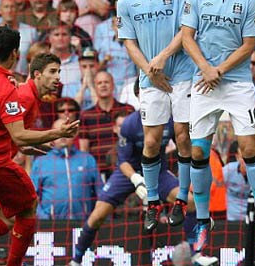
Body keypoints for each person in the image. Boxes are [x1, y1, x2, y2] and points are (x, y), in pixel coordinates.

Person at [0, 26, 79, 266]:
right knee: (28, 204)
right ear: (16, 54)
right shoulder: (15, 93)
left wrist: (20, 146)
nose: (57, 78)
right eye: (52, 71)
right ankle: (6, 261)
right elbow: (19, 134)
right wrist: (57, 133)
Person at [181, 0, 255, 262]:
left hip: (236, 83)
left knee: (249, 148)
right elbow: (187, 36)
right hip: (203, 80)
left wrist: (218, 69)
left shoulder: (250, 0)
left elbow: (249, 46)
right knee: (198, 151)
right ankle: (203, 220)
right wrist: (206, 67)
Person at [117, 0, 194, 232]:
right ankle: (151, 201)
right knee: (151, 143)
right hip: (151, 77)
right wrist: (151, 70)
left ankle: (182, 198)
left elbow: (186, 32)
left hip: (181, 72)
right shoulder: (125, 2)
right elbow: (128, 42)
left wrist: (162, 59)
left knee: (183, 135)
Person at [69, 102, 196, 265]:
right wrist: (136, 180)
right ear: (140, 96)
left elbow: (183, 147)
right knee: (97, 216)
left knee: (191, 203)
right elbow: (122, 162)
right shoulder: (129, 123)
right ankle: (76, 260)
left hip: (158, 172)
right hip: (128, 173)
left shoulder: (169, 120)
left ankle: (195, 253)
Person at [31, 118, 101, 220]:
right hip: (51, 225)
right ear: (51, 136)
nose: (62, 135)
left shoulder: (87, 159)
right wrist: (44, 218)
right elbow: (31, 196)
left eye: (66, 130)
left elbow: (100, 192)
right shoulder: (41, 162)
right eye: (58, 131)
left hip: (83, 224)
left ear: (74, 134)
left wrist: (95, 218)